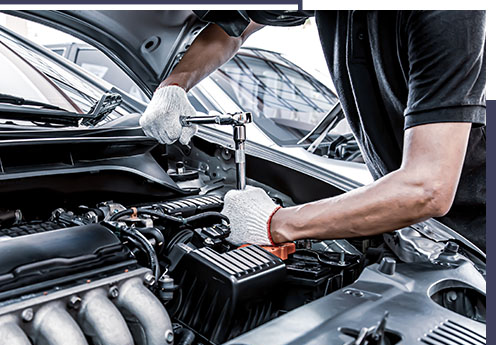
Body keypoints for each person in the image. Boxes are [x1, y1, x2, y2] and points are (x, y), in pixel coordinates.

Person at [139, 11, 486, 251]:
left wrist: (275, 223)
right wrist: (174, 85)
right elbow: (236, 26)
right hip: (413, 225)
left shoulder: (449, 15)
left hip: (473, 239)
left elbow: (428, 187)